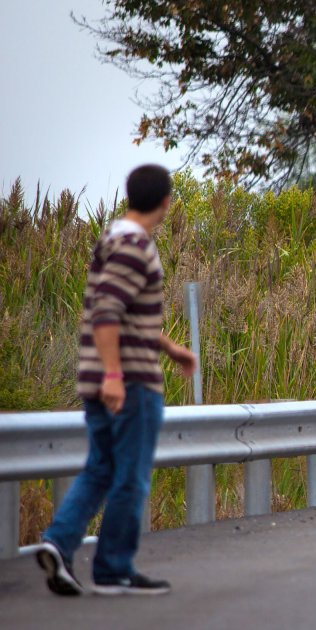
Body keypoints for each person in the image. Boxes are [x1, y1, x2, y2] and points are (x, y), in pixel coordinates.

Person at [34, 164, 196, 596]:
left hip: (99, 376)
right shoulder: (135, 245)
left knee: (101, 468)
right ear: (165, 201)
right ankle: (113, 569)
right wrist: (115, 376)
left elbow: (121, 312)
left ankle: (58, 543)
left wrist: (170, 347)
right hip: (128, 383)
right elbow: (107, 311)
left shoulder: (110, 239)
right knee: (131, 476)